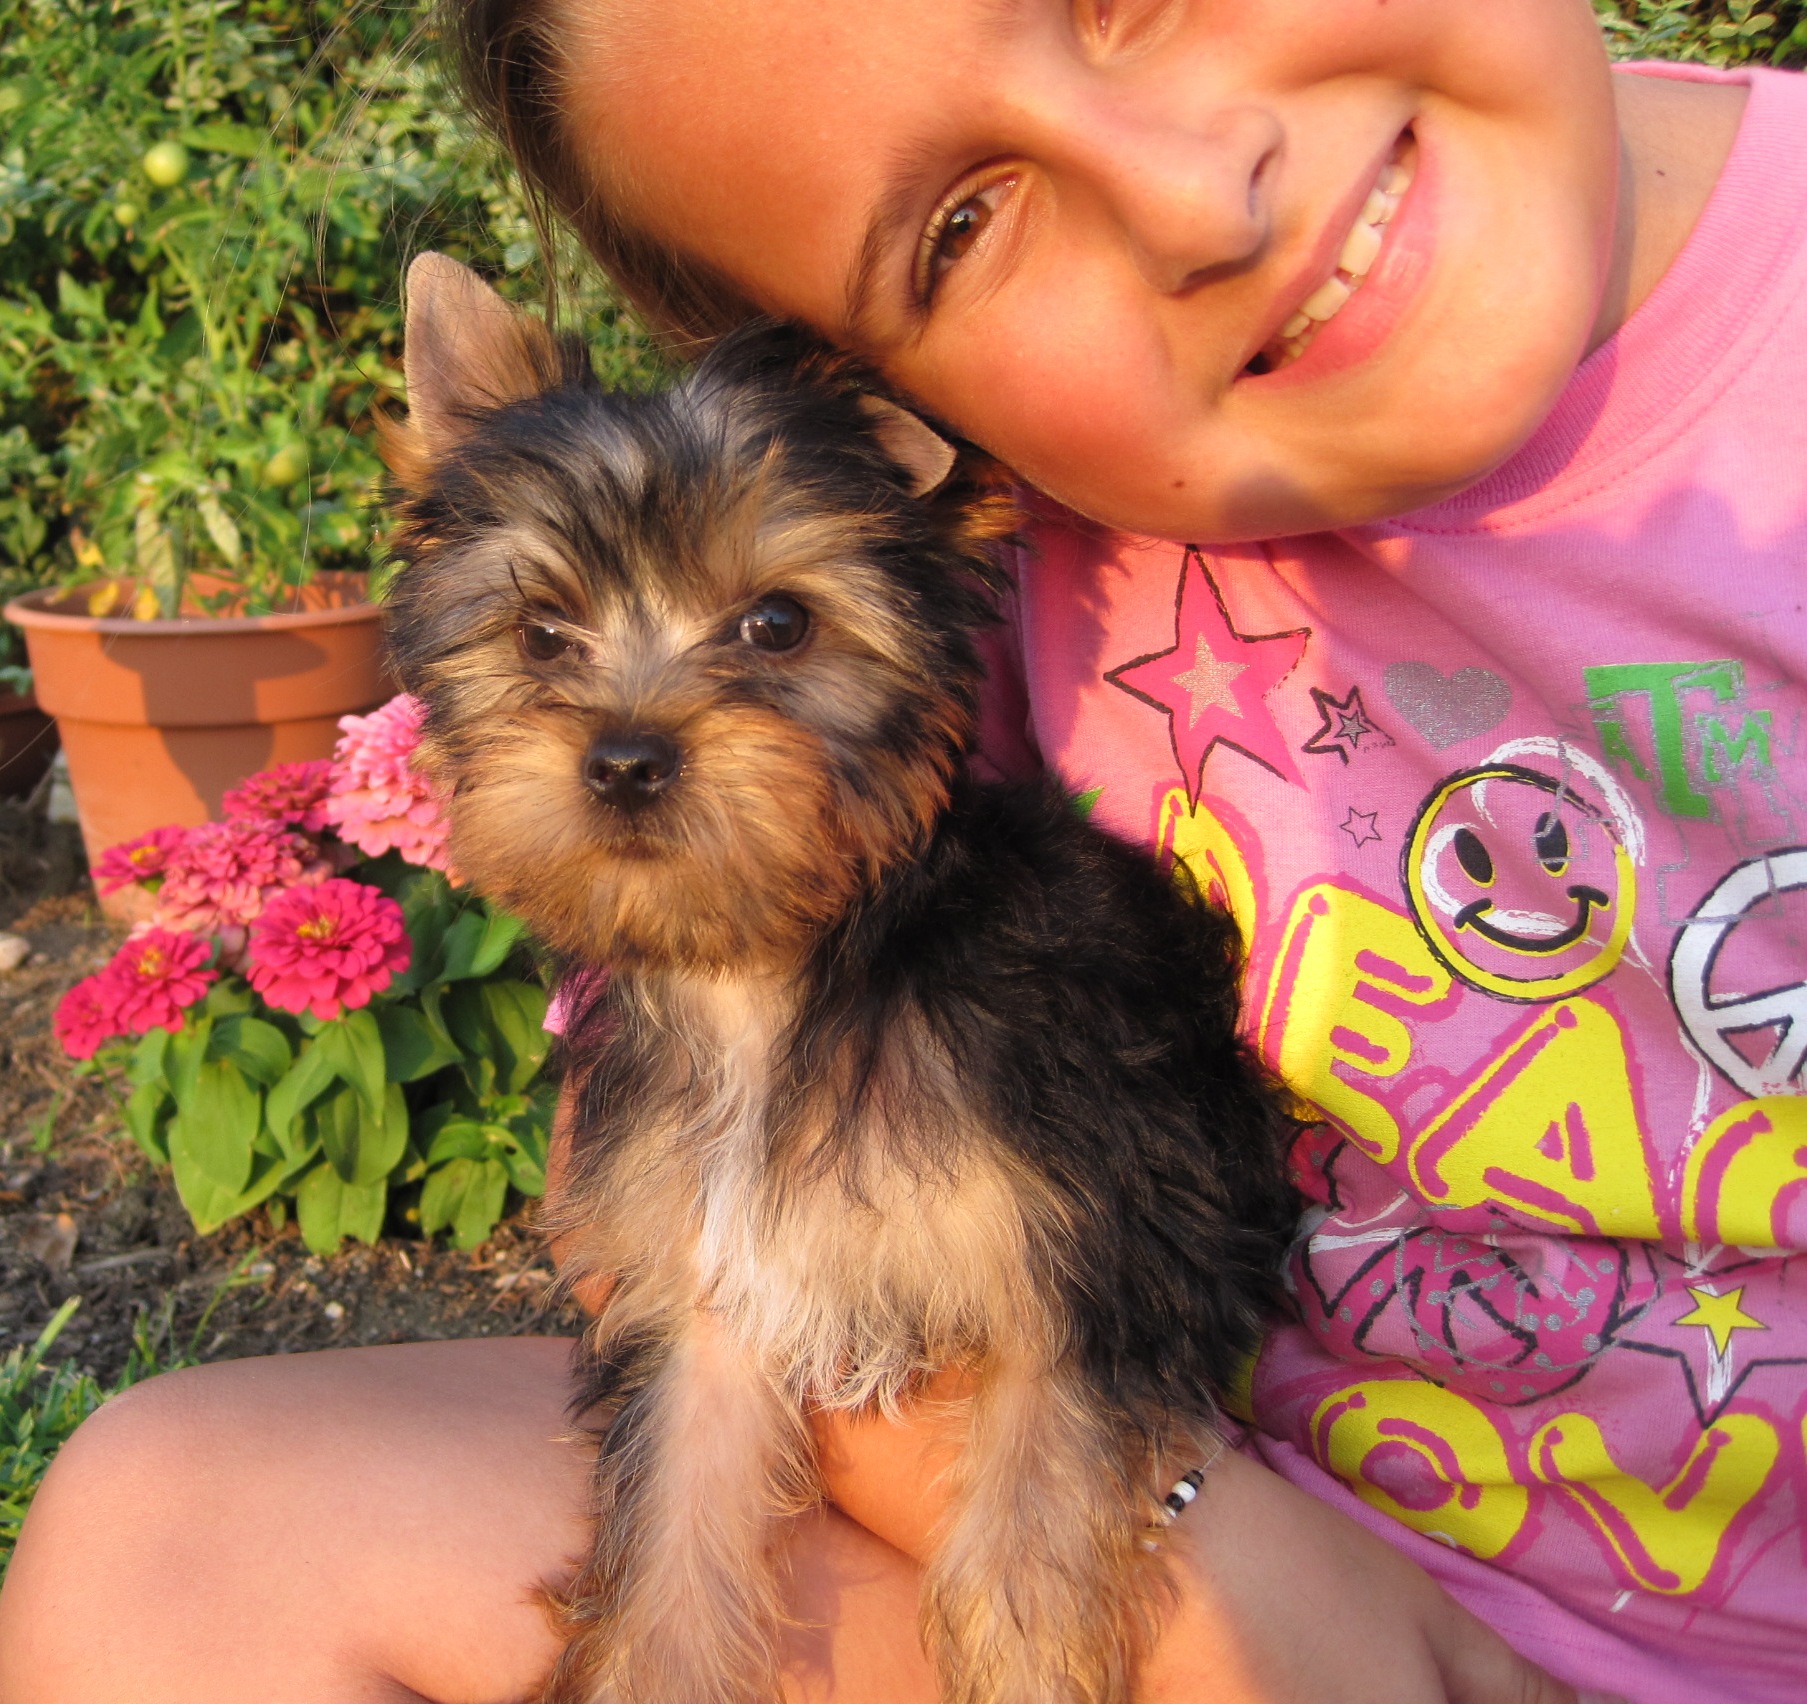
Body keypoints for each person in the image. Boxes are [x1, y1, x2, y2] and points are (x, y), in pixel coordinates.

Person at [2, 0, 1801, 1698]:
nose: (1193, 196)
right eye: (955, 234)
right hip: (1224, 1536)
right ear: (877, 396)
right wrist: (1204, 1548)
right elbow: (705, 1255)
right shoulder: (1038, 517)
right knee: (172, 1539)